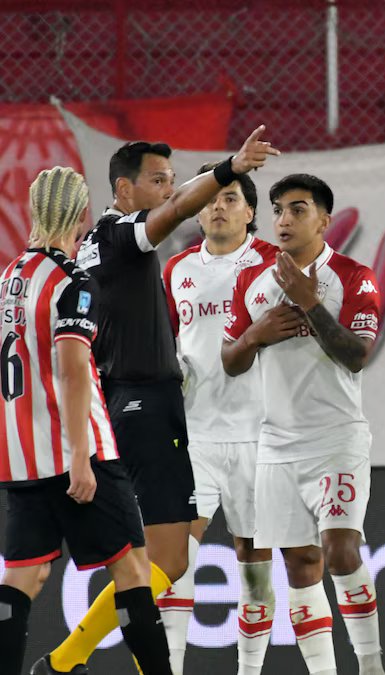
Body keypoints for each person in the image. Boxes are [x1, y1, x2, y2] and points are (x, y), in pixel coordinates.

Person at [36, 128, 279, 675]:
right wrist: (229, 166)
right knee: (168, 561)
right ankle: (67, 659)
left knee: (165, 562)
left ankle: (71, 659)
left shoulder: (98, 242)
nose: (170, 190)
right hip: (163, 415)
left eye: (173, 180)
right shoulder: (135, 241)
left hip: (164, 411)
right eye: (158, 180)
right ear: (124, 190)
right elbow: (168, 219)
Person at [0, 167, 171, 675]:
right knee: (132, 570)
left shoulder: (8, 278)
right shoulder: (73, 282)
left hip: (21, 456)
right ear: (81, 216)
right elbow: (74, 369)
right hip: (81, 452)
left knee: (21, 580)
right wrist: (80, 456)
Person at [222, 174, 384, 675]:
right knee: (299, 565)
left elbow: (357, 356)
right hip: (276, 444)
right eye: (278, 210)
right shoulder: (252, 280)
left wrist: (310, 303)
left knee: (339, 552)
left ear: (323, 220)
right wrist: (255, 335)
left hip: (337, 439)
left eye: (297, 209)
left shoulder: (354, 277)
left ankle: (373, 665)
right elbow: (230, 360)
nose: (284, 220)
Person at [160, 163, 279, 674]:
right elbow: (165, 344)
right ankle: (171, 665)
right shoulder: (177, 270)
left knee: (253, 560)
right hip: (196, 436)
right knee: (173, 559)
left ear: (251, 212)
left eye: (230, 197)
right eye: (208, 198)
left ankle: (248, 670)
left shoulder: (277, 265)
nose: (217, 206)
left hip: (261, 435)